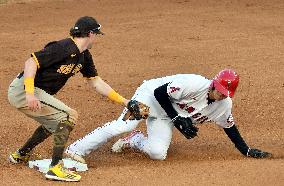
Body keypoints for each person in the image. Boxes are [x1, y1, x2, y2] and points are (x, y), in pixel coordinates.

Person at [7, 16, 131, 182]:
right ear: (90, 34)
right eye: (96, 34)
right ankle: (55, 168)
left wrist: (125, 101)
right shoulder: (64, 47)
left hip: (35, 91)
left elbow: (96, 82)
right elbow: (31, 62)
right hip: (23, 90)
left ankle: (20, 155)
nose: (97, 37)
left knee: (56, 123)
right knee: (68, 116)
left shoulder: (84, 56)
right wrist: (29, 93)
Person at [65, 69, 272, 163]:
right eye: (217, 89)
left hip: (165, 115)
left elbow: (229, 127)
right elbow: (160, 93)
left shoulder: (223, 105)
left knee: (157, 153)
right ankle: (75, 149)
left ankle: (135, 141)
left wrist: (245, 150)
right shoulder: (194, 83)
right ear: (213, 83)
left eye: (223, 93)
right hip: (149, 97)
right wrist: (176, 118)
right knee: (124, 125)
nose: (219, 94)